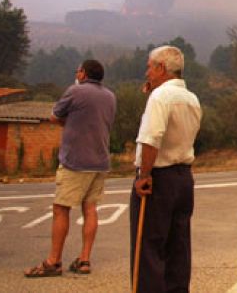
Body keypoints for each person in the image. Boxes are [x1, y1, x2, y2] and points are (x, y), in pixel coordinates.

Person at [24, 59, 116, 278]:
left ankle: (53, 261)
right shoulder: (110, 96)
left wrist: (71, 122)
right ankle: (84, 259)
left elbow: (55, 116)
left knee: (61, 208)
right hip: (100, 160)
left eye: (78, 71)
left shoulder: (75, 91)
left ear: (84, 73)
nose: (77, 74)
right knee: (90, 208)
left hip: (76, 160)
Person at [130, 45, 202, 293]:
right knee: (178, 245)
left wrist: (144, 175)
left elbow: (151, 139)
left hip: (159, 176)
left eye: (149, 67)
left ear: (161, 68)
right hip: (183, 177)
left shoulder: (160, 97)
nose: (146, 73)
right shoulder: (191, 98)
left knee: (148, 247)